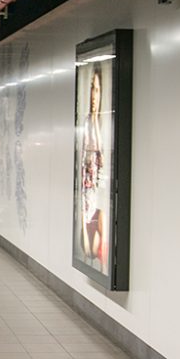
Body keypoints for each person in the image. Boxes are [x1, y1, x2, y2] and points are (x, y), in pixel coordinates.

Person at [79, 65, 105, 264]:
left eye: (97, 90)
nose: (94, 96)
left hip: (97, 189)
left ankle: (93, 250)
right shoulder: (87, 123)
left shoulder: (102, 126)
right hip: (89, 188)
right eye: (92, 90)